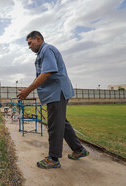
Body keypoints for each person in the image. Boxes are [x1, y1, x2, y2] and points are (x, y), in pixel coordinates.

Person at [17, 31, 89, 169]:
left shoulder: (47, 49)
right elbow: (41, 75)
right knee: (62, 123)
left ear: (38, 39)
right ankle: (79, 150)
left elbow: (46, 73)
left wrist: (28, 91)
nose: (29, 47)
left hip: (57, 93)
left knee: (54, 126)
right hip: (54, 94)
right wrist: (28, 88)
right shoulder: (42, 53)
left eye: (30, 43)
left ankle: (53, 158)